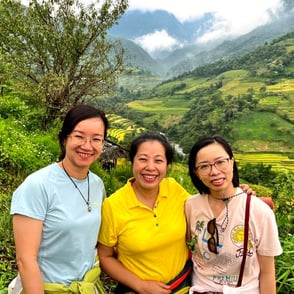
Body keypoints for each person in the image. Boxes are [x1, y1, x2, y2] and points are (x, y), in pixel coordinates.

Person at [97, 132, 254, 294]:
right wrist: (140, 285)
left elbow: (207, 206)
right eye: (143, 159)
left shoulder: (173, 189)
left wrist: (236, 194)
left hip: (182, 285)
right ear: (132, 161)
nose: (150, 167)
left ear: (167, 164)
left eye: (158, 160)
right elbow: (105, 257)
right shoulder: (114, 205)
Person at [10, 104, 108, 294]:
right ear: (64, 138)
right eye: (79, 136)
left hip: (86, 287)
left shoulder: (97, 184)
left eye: (96, 139)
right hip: (47, 288)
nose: (87, 146)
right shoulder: (37, 185)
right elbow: (25, 260)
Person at [185, 135, 283, 294]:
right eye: (204, 166)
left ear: (232, 162)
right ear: (196, 172)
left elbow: (267, 272)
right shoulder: (191, 205)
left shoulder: (259, 211)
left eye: (220, 162)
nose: (214, 171)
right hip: (200, 289)